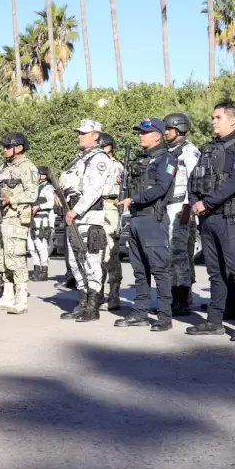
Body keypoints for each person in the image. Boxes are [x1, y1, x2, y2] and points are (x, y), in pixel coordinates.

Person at [187, 102, 235, 342]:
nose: (213, 121)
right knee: (215, 272)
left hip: (231, 218)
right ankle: (214, 321)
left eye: (218, 117)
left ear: (232, 120)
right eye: (212, 117)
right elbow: (194, 178)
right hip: (208, 218)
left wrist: (207, 203)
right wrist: (196, 201)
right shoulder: (209, 148)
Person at [115, 118, 177, 331]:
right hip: (136, 219)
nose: (140, 136)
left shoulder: (165, 159)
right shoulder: (140, 159)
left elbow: (161, 188)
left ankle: (164, 317)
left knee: (160, 270)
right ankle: (140, 312)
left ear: (157, 136)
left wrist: (134, 200)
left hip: (152, 218)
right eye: (139, 132)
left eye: (144, 132)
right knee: (139, 270)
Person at [56, 120, 116, 322]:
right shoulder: (79, 158)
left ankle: (93, 306)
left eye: (84, 133)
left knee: (91, 261)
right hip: (72, 213)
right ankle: (82, 302)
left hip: (88, 217)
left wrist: (75, 210)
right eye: (79, 133)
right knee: (75, 261)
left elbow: (94, 191)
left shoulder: (99, 159)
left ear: (95, 136)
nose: (79, 136)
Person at [0, 133, 38, 314]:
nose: (4, 150)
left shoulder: (27, 167)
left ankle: (21, 298)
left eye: (8, 147)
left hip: (16, 217)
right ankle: (7, 295)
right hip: (1, 217)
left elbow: (32, 194)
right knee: (2, 257)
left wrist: (10, 199)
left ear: (19, 147)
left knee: (16, 256)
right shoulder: (2, 167)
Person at [162, 113, 200, 317]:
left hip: (181, 207)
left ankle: (182, 299)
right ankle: (175, 296)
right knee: (172, 254)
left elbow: (195, 180)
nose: (165, 132)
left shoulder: (189, 151)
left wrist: (188, 206)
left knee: (179, 255)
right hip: (169, 206)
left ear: (179, 129)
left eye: (168, 129)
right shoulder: (169, 151)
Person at [97, 133, 124, 311]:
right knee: (95, 253)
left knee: (110, 253)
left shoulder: (116, 166)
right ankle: (96, 293)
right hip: (95, 208)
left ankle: (114, 295)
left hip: (110, 206)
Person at [28, 166, 54, 282]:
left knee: (41, 246)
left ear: (43, 175)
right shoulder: (35, 187)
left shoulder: (48, 187)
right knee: (31, 246)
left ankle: (44, 271)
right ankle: (36, 269)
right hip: (32, 219)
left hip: (42, 219)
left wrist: (39, 207)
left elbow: (52, 202)